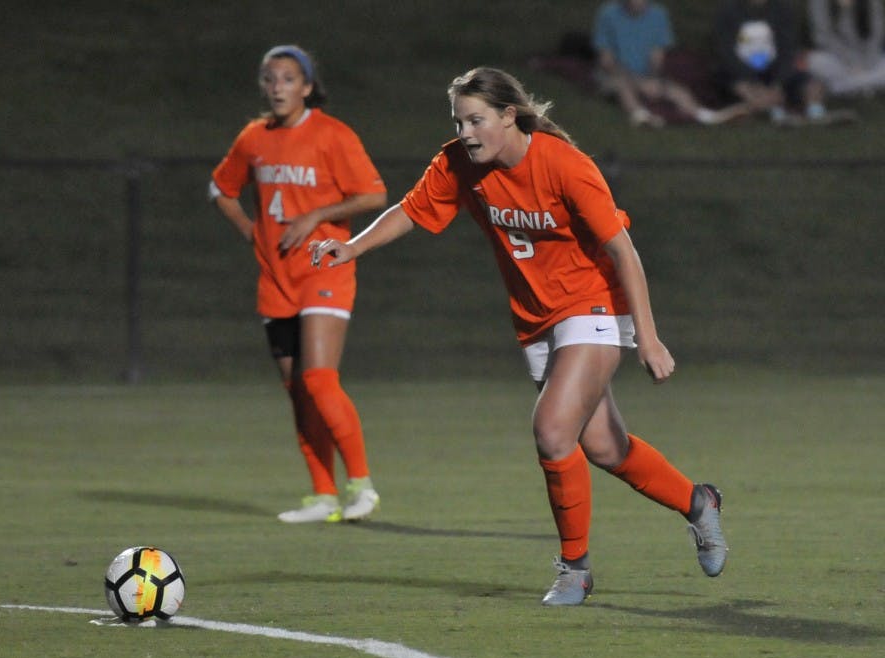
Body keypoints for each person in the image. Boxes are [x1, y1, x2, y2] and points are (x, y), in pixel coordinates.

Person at [310, 67, 727, 605]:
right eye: (459, 120)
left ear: (510, 115)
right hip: (536, 319)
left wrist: (648, 338)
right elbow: (411, 211)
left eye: (477, 119)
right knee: (603, 446)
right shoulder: (460, 161)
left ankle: (574, 569)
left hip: (593, 303)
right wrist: (354, 247)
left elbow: (624, 251)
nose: (466, 131)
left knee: (554, 432)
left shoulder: (564, 166)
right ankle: (698, 502)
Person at [210, 45, 387, 523]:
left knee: (319, 377)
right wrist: (251, 232)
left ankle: (362, 486)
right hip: (276, 278)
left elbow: (374, 193)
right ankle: (323, 495)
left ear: (307, 86)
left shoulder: (331, 134)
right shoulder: (253, 138)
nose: (277, 87)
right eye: (270, 79)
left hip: (323, 267)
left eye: (288, 78)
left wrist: (317, 215)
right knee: (297, 391)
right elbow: (221, 190)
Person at [593, 0, 748, 126]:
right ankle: (639, 115)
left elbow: (657, 58)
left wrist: (653, 80)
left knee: (676, 90)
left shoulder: (658, 15)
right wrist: (638, 82)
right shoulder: (608, 14)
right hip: (617, 74)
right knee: (622, 85)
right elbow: (606, 61)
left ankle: (706, 116)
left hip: (646, 75)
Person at [714, 0, 830, 123]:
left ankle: (815, 112)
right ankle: (774, 112)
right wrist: (755, 83)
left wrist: (778, 82)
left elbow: (788, 50)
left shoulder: (783, 9)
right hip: (741, 73)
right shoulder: (728, 10)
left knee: (814, 85)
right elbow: (727, 53)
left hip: (775, 71)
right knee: (743, 88)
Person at [806, 0, 885, 97]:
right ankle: (867, 85)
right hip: (838, 59)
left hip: (869, 60)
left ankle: (843, 87)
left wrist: (865, 64)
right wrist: (851, 61)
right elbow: (823, 36)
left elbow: (877, 35)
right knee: (815, 61)